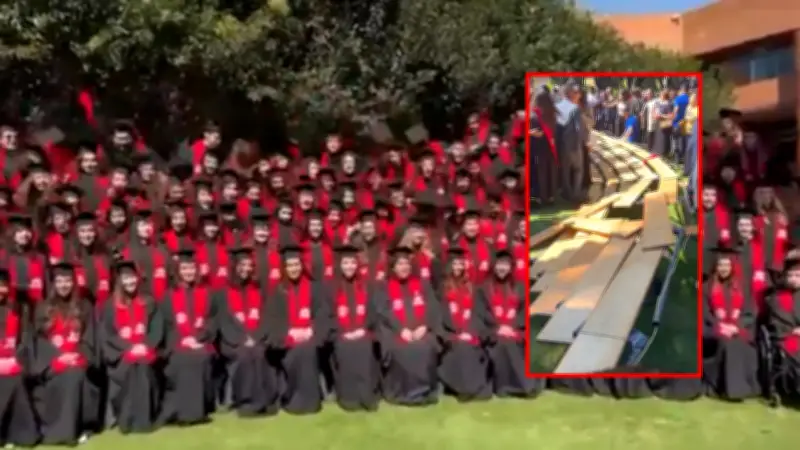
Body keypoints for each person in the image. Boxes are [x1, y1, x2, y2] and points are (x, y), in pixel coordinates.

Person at [33, 262, 98, 445]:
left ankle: (73, 429)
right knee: (66, 376)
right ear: (53, 283)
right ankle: (61, 430)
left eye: (68, 281)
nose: (64, 285)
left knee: (75, 374)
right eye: (60, 281)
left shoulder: (84, 306)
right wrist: (57, 357)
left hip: (77, 358)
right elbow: (38, 340)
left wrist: (78, 355)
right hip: (53, 361)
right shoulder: (43, 307)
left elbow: (89, 337)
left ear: (74, 282)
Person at [99, 260, 164, 434]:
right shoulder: (109, 306)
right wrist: (128, 348)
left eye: (132, 278)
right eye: (125, 279)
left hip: (145, 351)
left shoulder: (148, 302)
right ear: (119, 281)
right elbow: (107, 335)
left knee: (143, 366)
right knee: (130, 368)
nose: (130, 282)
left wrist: (146, 346)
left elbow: (156, 329)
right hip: (121, 355)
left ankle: (144, 420)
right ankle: (127, 420)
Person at [266, 244, 330, 415]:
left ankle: (311, 402)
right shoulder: (277, 292)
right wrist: (290, 333)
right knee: (296, 353)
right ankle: (292, 399)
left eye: (297, 265)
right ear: (284, 268)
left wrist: (311, 330)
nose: (294, 269)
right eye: (290, 266)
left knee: (307, 351)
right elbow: (273, 321)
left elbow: (322, 315)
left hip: (310, 337)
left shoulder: (314, 288)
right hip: (288, 340)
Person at [375, 246, 442, 406]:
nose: (404, 267)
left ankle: (425, 392)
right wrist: (401, 330)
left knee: (424, 347)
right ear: (392, 267)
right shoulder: (384, 287)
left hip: (421, 330)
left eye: (406, 264)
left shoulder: (422, 285)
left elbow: (432, 307)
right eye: (399, 264)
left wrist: (424, 326)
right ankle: (402, 393)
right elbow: (384, 313)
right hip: (396, 332)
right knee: (402, 349)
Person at [217, 246, 279, 417]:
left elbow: (266, 317)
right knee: (245, 355)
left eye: (249, 266)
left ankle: (265, 401)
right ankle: (246, 402)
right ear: (235, 266)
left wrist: (256, 337)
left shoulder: (258, 289)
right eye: (242, 265)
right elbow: (224, 322)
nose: (246, 269)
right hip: (233, 341)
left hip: (257, 338)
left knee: (258, 352)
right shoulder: (224, 292)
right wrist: (241, 339)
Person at [159, 249, 217, 426]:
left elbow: (212, 322)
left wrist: (198, 338)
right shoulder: (169, 296)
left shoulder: (206, 293)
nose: (189, 272)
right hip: (177, 343)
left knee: (200, 358)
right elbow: (167, 326)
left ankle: (197, 410)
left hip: (201, 342)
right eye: (184, 269)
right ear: (178, 271)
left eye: (192, 268)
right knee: (183, 360)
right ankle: (183, 412)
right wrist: (183, 340)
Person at [480, 250, 542, 397]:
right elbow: (481, 312)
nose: (502, 268)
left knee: (521, 341)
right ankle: (512, 387)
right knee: (504, 343)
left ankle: (523, 385)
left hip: (515, 329)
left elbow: (524, 311)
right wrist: (498, 327)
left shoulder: (520, 287)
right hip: (493, 331)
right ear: (493, 266)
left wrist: (512, 326)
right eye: (499, 264)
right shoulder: (484, 288)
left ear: (511, 267)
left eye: (506, 265)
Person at [702, 247, 760, 401]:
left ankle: (743, 388)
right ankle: (728, 390)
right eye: (720, 265)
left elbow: (750, 312)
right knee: (726, 344)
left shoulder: (742, 287)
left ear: (732, 267)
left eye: (727, 265)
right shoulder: (707, 287)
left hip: (737, 329)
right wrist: (719, 326)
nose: (723, 269)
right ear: (715, 267)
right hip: (713, 329)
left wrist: (736, 326)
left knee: (740, 344)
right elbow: (704, 312)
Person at [328, 244, 380, 411]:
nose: (349, 266)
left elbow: (372, 312)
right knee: (345, 349)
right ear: (339, 265)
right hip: (340, 333)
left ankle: (366, 397)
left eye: (352, 263)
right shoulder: (331, 288)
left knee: (364, 347)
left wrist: (362, 329)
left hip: (362, 331)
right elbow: (328, 316)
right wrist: (344, 332)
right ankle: (349, 398)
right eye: (345, 263)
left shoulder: (366, 286)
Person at [437, 248, 491, 402]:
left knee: (469, 347)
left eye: (461, 264)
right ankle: (461, 387)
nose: (458, 267)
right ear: (449, 266)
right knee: (460, 347)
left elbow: (477, 314)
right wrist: (456, 332)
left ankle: (472, 388)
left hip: (470, 332)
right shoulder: (442, 288)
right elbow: (440, 314)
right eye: (455, 264)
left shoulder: (472, 288)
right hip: (450, 332)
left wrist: (469, 331)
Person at [0, 268, 40, 447]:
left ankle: (19, 434)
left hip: (12, 361)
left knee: (16, 379)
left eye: (2, 286)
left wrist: (15, 359)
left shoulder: (19, 309)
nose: (0, 290)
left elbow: (25, 339)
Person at [554, 82, 586, 202]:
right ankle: (576, 194)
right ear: (571, 94)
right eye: (576, 93)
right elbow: (578, 129)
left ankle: (567, 193)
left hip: (562, 144)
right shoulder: (575, 108)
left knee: (565, 169)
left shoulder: (557, 106)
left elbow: (556, 127)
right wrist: (582, 143)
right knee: (578, 169)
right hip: (574, 145)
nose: (579, 95)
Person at [529, 86, 558, 205]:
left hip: (539, 148)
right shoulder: (553, 115)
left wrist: (530, 132)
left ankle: (543, 197)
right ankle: (551, 196)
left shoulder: (536, 117)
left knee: (541, 173)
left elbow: (536, 132)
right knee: (550, 172)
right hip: (551, 148)